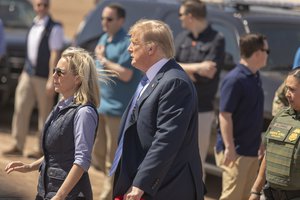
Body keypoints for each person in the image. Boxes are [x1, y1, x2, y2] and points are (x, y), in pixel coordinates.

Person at [111, 19, 205, 200]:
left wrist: (141, 183)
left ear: (151, 48)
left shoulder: (174, 82)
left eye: (134, 43)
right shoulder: (152, 78)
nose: (129, 48)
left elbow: (167, 139)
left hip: (166, 188)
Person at [5, 47, 100, 200]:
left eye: (60, 72)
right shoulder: (61, 105)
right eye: (54, 70)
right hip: (48, 191)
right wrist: (29, 167)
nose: (54, 75)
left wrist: (60, 195)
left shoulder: (84, 113)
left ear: (77, 78)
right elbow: (57, 154)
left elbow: (82, 161)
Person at [91, 3, 141, 200]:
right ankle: (108, 182)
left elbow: (127, 74)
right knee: (99, 152)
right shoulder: (105, 38)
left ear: (121, 21)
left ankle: (109, 190)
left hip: (118, 110)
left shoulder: (126, 42)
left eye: (109, 19)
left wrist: (103, 59)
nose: (104, 22)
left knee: (113, 154)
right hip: (101, 106)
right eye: (103, 18)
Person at [3, 0, 64, 158]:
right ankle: (18, 144)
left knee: (44, 114)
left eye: (44, 5)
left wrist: (52, 78)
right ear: (35, 7)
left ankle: (41, 148)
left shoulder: (54, 28)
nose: (41, 8)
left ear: (48, 6)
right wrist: (25, 69)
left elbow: (55, 54)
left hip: (44, 76)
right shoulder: (33, 24)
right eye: (38, 5)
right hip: (28, 73)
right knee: (21, 107)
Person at [175, 0, 225, 179]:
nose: (179, 18)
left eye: (181, 15)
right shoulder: (182, 37)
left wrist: (184, 70)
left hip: (202, 109)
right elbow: (169, 65)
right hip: (177, 106)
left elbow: (208, 74)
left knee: (196, 160)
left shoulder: (216, 39)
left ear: (190, 16)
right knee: (174, 158)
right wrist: (196, 68)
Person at [214, 33, 269, 200]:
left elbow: (252, 113)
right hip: (236, 152)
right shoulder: (234, 79)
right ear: (258, 53)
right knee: (232, 197)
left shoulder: (255, 76)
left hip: (252, 150)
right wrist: (229, 148)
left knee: (248, 196)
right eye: (267, 50)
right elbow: (224, 115)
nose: (268, 55)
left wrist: (259, 142)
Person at [249, 68, 300, 200]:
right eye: (287, 89)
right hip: (269, 193)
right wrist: (255, 191)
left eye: (292, 89)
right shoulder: (281, 115)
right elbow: (268, 153)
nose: (287, 94)